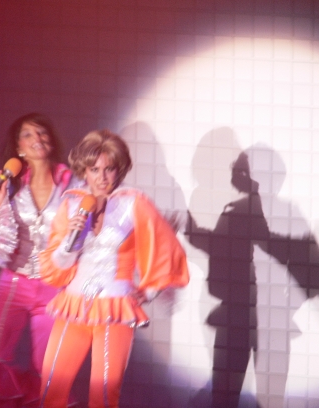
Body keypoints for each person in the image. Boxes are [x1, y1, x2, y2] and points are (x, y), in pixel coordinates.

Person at [37, 129, 190, 408]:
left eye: (109, 169)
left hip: (115, 308)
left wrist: (150, 290)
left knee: (104, 396)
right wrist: (70, 241)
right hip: (74, 306)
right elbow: (57, 267)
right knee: (51, 388)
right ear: (84, 169)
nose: (102, 177)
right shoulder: (71, 204)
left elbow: (165, 247)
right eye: (94, 169)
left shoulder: (134, 203)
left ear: (118, 169)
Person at [0, 113, 81, 408]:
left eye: (42, 132)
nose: (37, 138)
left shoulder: (71, 182)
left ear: (51, 140)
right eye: (28, 134)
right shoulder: (9, 185)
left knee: (47, 368)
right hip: (13, 283)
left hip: (53, 287)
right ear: (19, 148)